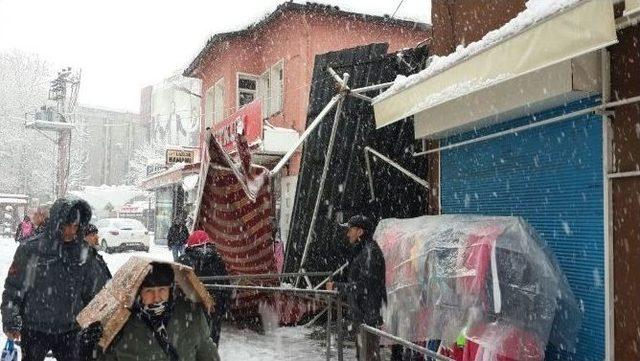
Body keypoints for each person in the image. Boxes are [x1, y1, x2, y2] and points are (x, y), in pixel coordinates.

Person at [1, 196, 110, 361]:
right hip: (34, 328)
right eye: (66, 225)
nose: (71, 232)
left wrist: (96, 323)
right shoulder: (31, 250)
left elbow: (96, 293)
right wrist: (10, 319)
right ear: (55, 222)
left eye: (76, 226)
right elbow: (14, 288)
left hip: (71, 331)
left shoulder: (86, 254)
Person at [78, 263, 220, 361]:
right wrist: (89, 351)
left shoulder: (191, 315)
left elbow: (207, 353)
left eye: (162, 289)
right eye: (149, 291)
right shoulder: (121, 323)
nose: (157, 297)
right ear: (139, 293)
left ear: (171, 290)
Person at [327, 215, 386, 361]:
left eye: (350, 230)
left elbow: (364, 286)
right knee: (364, 355)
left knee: (367, 355)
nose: (348, 234)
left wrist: (336, 287)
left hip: (368, 316)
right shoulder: (364, 251)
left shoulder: (370, 252)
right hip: (364, 315)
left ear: (360, 232)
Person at [177, 230, 229, 345]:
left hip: (190, 310)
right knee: (211, 342)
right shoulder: (217, 259)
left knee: (190, 345)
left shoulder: (184, 260)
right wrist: (223, 308)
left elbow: (176, 285)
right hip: (214, 308)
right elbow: (225, 285)